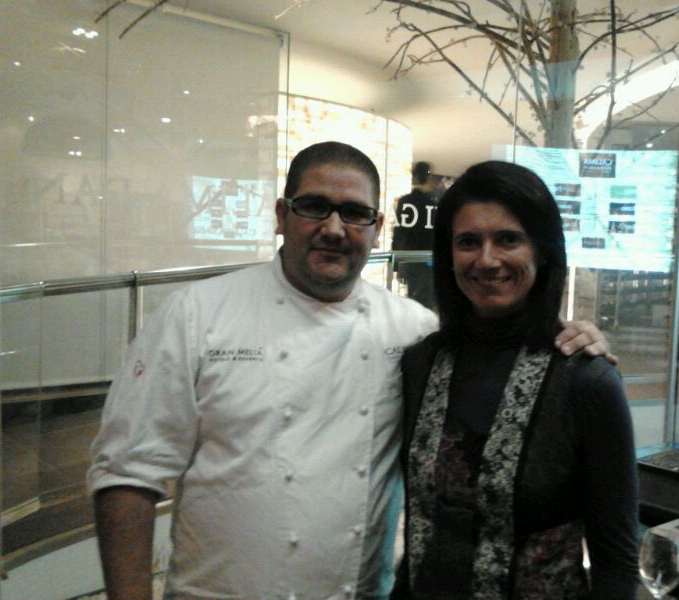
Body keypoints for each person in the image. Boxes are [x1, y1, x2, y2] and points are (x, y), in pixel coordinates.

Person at [88, 142, 612, 600]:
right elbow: (127, 476)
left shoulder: (413, 331)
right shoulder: (196, 314)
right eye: (314, 207)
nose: (334, 229)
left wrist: (570, 334)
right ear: (281, 214)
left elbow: (496, 349)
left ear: (378, 228)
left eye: (355, 213)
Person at [395, 161, 638, 599]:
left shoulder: (585, 379)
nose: (487, 260)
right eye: (468, 242)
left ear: (542, 251)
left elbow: (616, 558)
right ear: (448, 256)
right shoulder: (420, 363)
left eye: (508, 239)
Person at [392, 161, 437, 308]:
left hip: (409, 258)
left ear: (414, 178)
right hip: (429, 261)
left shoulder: (405, 202)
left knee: (411, 296)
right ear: (428, 178)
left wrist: (396, 264)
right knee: (426, 298)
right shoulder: (434, 204)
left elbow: (399, 234)